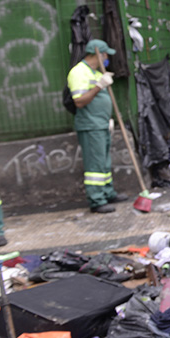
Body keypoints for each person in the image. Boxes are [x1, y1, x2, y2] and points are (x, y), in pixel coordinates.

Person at [67, 39, 122, 214]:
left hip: (101, 124)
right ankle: (97, 200)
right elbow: (79, 101)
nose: (107, 59)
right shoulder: (79, 72)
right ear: (99, 54)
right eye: (106, 55)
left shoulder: (96, 72)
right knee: (95, 165)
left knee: (104, 163)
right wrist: (99, 86)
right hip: (90, 125)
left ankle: (107, 193)